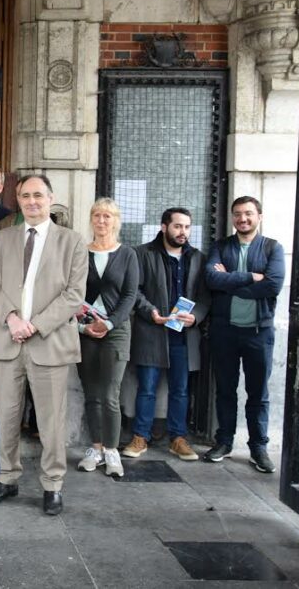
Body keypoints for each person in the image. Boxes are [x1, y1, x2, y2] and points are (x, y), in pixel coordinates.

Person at [0, 174, 87, 515]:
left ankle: (52, 485)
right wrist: (12, 318)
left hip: (49, 342)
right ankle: (7, 479)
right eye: (25, 196)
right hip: (7, 339)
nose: (32, 201)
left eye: (38, 195)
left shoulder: (71, 241)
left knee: (51, 421)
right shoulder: (1, 238)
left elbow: (73, 295)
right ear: (18, 199)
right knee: (6, 416)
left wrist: (35, 325)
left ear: (50, 198)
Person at [202, 196, 285, 473]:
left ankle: (258, 447)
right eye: (237, 214)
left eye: (248, 214)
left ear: (259, 216)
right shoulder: (221, 246)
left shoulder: (273, 248)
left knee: (258, 393)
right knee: (225, 390)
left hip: (258, 333)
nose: (242, 219)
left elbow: (272, 286)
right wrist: (251, 277)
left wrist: (231, 281)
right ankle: (224, 441)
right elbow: (212, 279)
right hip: (224, 331)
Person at [122, 208, 209, 463]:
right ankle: (140, 437)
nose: (183, 232)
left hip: (184, 334)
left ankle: (178, 439)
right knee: (146, 388)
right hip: (151, 331)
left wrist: (197, 316)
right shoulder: (142, 253)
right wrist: (151, 312)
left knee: (181, 390)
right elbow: (134, 291)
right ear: (163, 227)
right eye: (177, 226)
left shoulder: (198, 258)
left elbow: (205, 296)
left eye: (187, 227)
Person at [73, 199, 138, 478]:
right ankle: (95, 448)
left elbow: (130, 296)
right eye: (97, 215)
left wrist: (109, 323)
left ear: (116, 221)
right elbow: (72, 292)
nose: (102, 221)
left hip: (116, 331)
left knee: (110, 394)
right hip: (85, 331)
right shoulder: (80, 253)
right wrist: (83, 327)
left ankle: (111, 450)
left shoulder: (127, 255)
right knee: (91, 394)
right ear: (91, 219)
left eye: (107, 216)